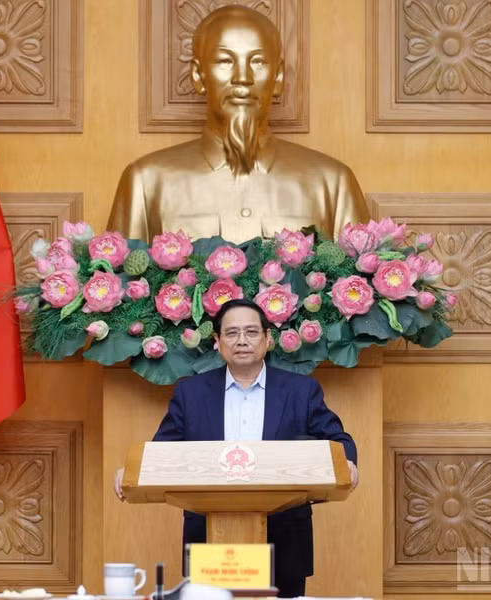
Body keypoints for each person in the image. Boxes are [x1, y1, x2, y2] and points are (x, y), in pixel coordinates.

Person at [113, 299, 358, 598]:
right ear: (217, 341)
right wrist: (134, 472)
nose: (242, 340)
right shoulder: (191, 393)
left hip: (285, 540)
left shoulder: (301, 391)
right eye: (231, 333)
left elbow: (338, 441)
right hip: (209, 542)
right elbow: (163, 452)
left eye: (251, 332)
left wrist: (347, 462)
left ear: (268, 339)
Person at [107, 5, 369, 244]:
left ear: (277, 76)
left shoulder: (333, 184)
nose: (242, 77)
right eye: (224, 61)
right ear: (198, 75)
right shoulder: (146, 182)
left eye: (257, 61)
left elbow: (362, 288)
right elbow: (118, 284)